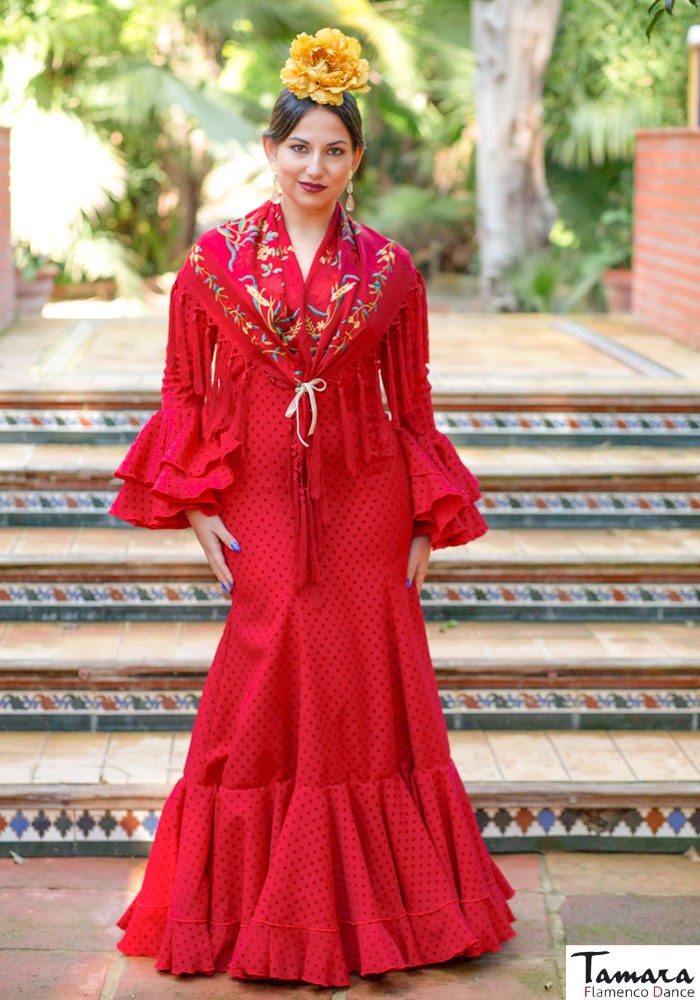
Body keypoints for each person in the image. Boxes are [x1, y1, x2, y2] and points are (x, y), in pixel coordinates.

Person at [109, 26, 516, 989]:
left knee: (368, 686)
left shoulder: (391, 270)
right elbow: (184, 391)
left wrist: (424, 515)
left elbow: (412, 407)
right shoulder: (213, 263)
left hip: (368, 496)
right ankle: (251, 908)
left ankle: (390, 908)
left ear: (357, 160)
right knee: (265, 664)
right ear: (269, 150)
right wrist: (195, 505)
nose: (316, 165)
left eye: (336, 150)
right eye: (300, 146)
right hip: (257, 495)